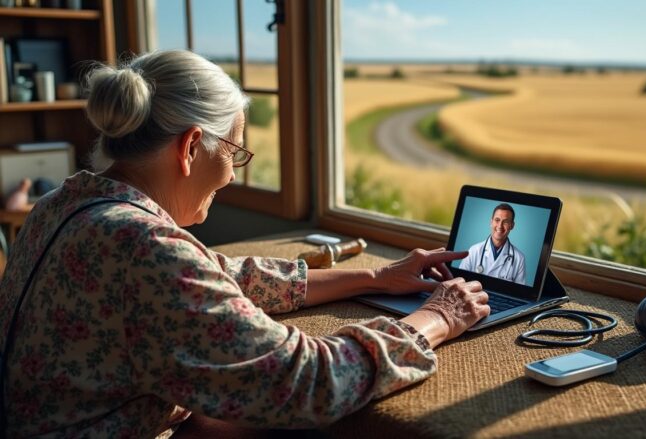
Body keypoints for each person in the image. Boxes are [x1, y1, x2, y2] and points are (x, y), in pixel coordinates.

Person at [0, 50, 490, 437]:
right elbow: (308, 381)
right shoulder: (144, 247)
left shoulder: (64, 204)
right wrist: (437, 318)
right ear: (191, 147)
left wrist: (376, 277)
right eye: (233, 152)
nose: (232, 175)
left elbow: (219, 275)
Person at [459, 203, 526, 284]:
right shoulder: (473, 251)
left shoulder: (519, 258)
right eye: (497, 220)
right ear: (491, 222)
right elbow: (459, 281)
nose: (500, 226)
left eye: (505, 222)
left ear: (512, 226)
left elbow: (519, 290)